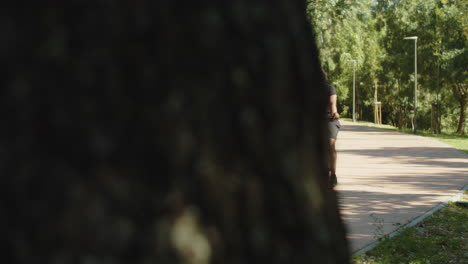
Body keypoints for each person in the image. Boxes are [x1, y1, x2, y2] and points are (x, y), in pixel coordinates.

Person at [322, 69, 341, 187]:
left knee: (330, 145)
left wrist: (335, 113)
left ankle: (333, 174)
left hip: (330, 120)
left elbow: (333, 105)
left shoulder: (330, 88)